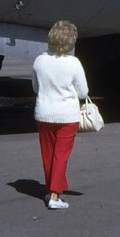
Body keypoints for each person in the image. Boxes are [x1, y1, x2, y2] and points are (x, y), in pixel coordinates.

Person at [31, 20, 88, 210]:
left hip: (44, 114)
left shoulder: (39, 60)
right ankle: (55, 195)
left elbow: (35, 88)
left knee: (48, 154)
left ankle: (50, 190)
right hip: (67, 117)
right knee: (61, 155)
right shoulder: (74, 63)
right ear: (70, 41)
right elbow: (83, 92)